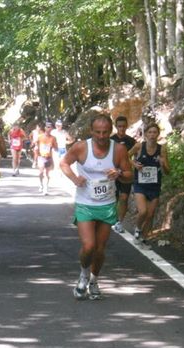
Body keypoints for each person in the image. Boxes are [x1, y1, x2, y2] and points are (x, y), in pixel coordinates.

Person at [60, 114, 133, 300]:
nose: (101, 136)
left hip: (107, 204)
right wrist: (75, 179)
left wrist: (118, 173)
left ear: (111, 131)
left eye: (105, 132)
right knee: (89, 245)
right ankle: (83, 275)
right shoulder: (81, 147)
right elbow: (64, 163)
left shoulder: (119, 150)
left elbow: (129, 175)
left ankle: (94, 280)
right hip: (85, 204)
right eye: (97, 132)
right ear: (91, 131)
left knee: (100, 249)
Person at [130, 123, 170, 247]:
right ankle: (137, 230)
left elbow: (168, 171)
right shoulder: (139, 146)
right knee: (143, 212)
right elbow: (125, 156)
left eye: (154, 132)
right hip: (140, 184)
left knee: (150, 215)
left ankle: (143, 239)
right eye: (150, 132)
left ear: (158, 134)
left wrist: (163, 163)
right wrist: (134, 164)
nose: (152, 135)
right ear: (146, 134)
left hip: (154, 185)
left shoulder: (161, 149)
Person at [110, 116, 137, 233]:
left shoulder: (131, 141)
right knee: (113, 198)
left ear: (127, 127)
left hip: (126, 174)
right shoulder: (110, 140)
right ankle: (113, 219)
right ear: (116, 127)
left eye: (123, 126)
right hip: (112, 173)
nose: (121, 129)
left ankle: (120, 222)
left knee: (124, 198)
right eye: (119, 126)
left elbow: (136, 157)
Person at [35, 122, 58, 195]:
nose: (48, 128)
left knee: (47, 173)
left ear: (51, 128)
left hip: (49, 157)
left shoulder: (53, 138)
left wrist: (55, 148)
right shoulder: (40, 137)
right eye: (47, 127)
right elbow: (36, 145)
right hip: (41, 157)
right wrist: (36, 148)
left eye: (50, 127)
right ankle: (41, 184)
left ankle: (46, 188)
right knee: (41, 172)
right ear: (45, 128)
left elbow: (56, 148)